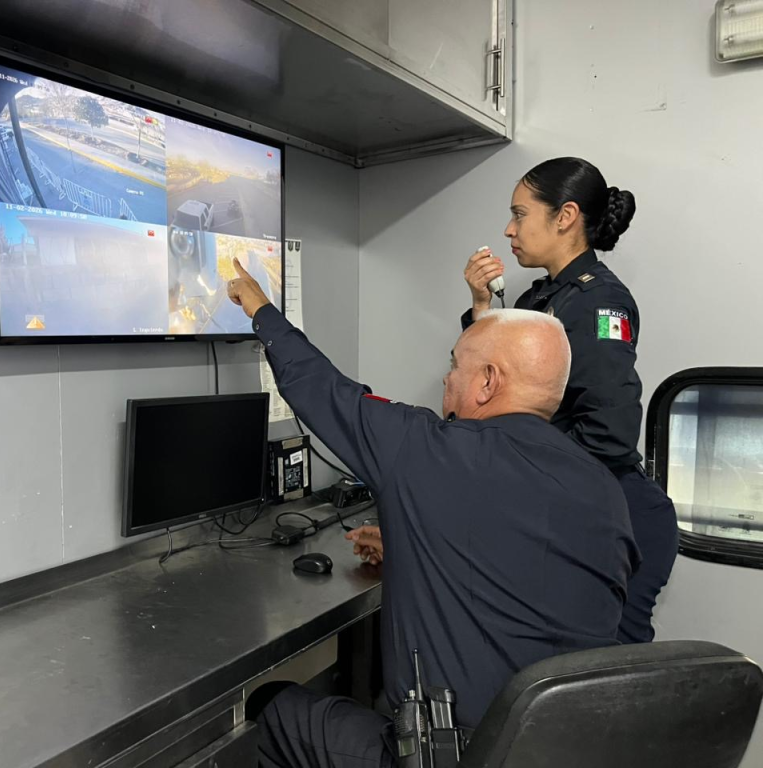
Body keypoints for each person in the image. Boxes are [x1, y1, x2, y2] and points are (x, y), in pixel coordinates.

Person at [226, 259, 638, 768]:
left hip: (455, 756)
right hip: (566, 752)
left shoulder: (428, 448)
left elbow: (323, 389)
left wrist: (259, 307)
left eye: (455, 365)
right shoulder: (605, 488)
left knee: (274, 708)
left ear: (487, 382)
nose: (446, 378)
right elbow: (529, 570)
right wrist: (412, 543)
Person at [461, 157, 678, 644]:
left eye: (520, 214)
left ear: (565, 217)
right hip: (576, 504)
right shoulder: (541, 299)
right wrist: (481, 307)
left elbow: (609, 432)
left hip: (617, 515)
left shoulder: (600, 302)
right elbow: (495, 388)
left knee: (604, 670)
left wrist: (519, 478)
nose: (509, 229)